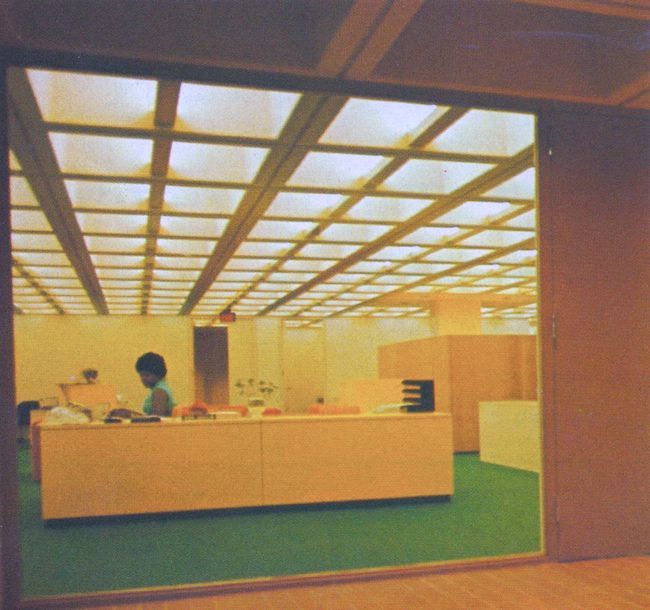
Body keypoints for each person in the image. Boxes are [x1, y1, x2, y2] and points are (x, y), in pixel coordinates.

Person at [135, 352, 176, 416]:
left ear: (158, 374)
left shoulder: (159, 391)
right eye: (141, 375)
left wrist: (133, 415)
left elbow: (156, 419)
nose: (143, 378)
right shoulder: (160, 388)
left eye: (147, 375)